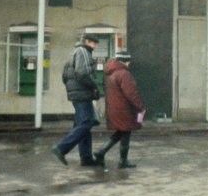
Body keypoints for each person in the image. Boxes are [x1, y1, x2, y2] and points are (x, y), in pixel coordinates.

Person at [52, 33, 103, 167]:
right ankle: (61, 148)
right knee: (87, 122)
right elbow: (83, 73)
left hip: (76, 94)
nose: (95, 46)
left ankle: (86, 158)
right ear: (87, 42)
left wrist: (72, 90)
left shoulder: (73, 52)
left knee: (84, 125)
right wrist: (95, 87)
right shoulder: (83, 51)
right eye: (94, 43)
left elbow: (64, 76)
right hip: (82, 94)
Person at [93, 51, 145, 169]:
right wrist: (140, 107)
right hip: (124, 109)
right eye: (128, 61)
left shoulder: (109, 73)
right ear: (125, 61)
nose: (129, 64)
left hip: (113, 108)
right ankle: (122, 160)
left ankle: (102, 152)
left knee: (121, 132)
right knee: (125, 132)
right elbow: (131, 94)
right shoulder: (124, 74)